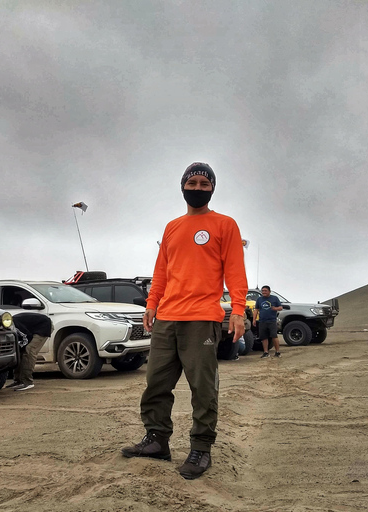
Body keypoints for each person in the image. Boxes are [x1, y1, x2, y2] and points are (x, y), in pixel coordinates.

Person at [121, 162, 247, 480]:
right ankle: (157, 440)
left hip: (202, 319)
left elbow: (235, 270)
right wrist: (152, 304)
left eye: (205, 184)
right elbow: (162, 270)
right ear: (182, 186)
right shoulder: (172, 227)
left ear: (213, 189)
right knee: (156, 384)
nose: (199, 188)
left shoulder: (225, 224)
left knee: (203, 389)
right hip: (166, 319)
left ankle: (201, 449)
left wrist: (239, 310)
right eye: (194, 182)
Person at [7, 312, 53, 391]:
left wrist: (21, 346)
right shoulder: (8, 325)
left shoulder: (14, 325)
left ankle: (27, 382)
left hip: (44, 326)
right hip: (32, 328)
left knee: (29, 350)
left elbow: (27, 336)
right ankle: (18, 381)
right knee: (19, 353)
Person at [252, 286, 283, 358]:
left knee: (274, 336)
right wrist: (254, 319)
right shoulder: (259, 299)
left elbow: (281, 307)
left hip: (272, 320)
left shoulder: (274, 298)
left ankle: (277, 352)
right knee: (263, 337)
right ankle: (266, 352)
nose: (264, 292)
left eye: (265, 291)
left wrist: (275, 308)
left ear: (269, 291)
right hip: (262, 321)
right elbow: (256, 310)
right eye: (262, 291)